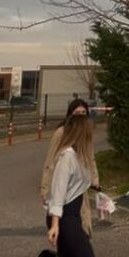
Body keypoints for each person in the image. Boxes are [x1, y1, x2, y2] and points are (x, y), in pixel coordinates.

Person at [41, 99, 99, 240]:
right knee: (70, 229)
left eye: (83, 113)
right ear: (70, 115)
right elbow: (50, 160)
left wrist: (95, 180)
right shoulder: (61, 133)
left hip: (79, 187)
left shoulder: (87, 132)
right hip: (65, 187)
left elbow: (90, 158)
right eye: (77, 113)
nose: (80, 115)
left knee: (82, 222)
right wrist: (44, 187)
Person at [46, 114, 98, 257]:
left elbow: (81, 184)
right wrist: (55, 225)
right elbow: (58, 192)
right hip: (64, 216)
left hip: (73, 214)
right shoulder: (67, 157)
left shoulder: (79, 155)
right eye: (89, 131)